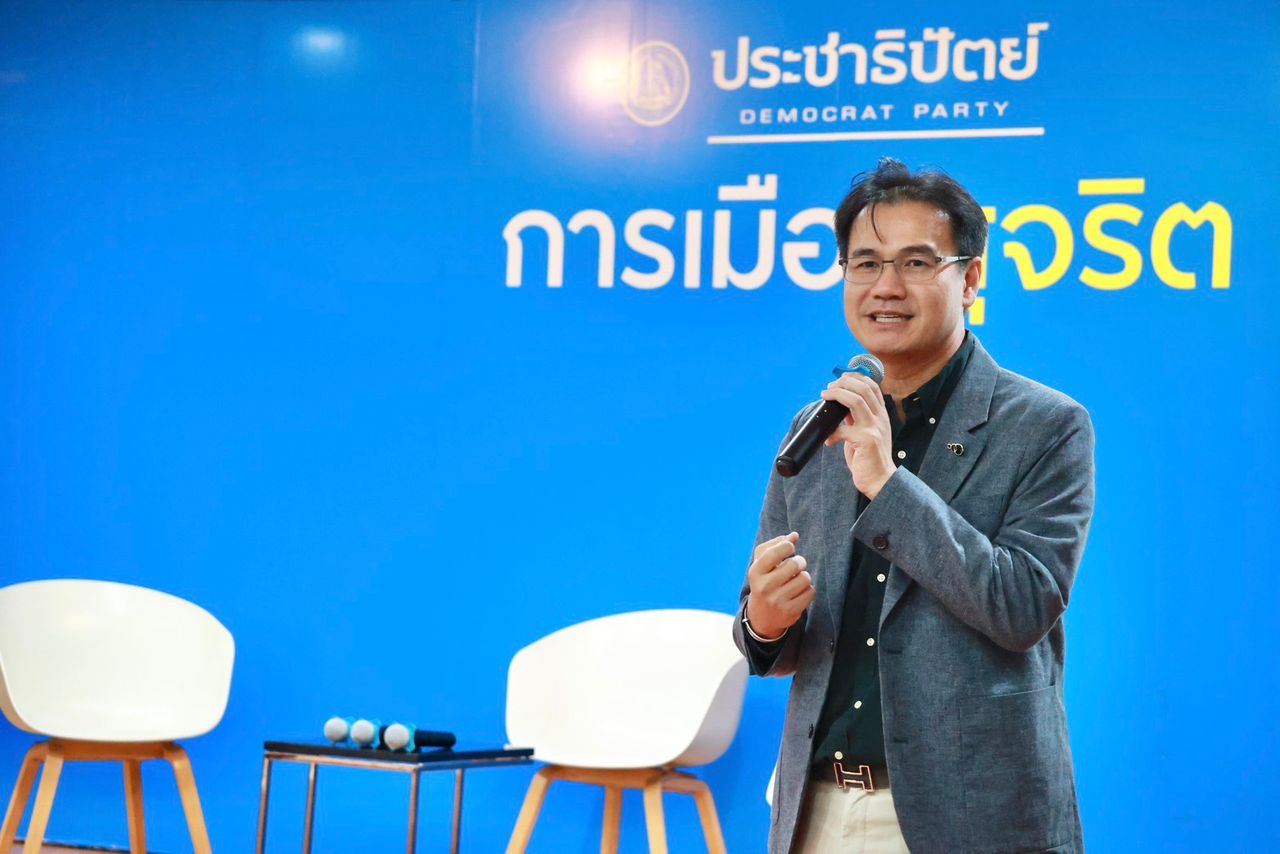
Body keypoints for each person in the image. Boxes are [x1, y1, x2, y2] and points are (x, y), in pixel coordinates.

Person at [733, 158, 1095, 853]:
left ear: (971, 277)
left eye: (916, 262)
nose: (886, 287)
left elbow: (1023, 608)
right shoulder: (817, 429)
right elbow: (773, 645)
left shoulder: (1046, 426)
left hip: (970, 820)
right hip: (817, 811)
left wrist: (888, 484)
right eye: (865, 264)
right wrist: (764, 621)